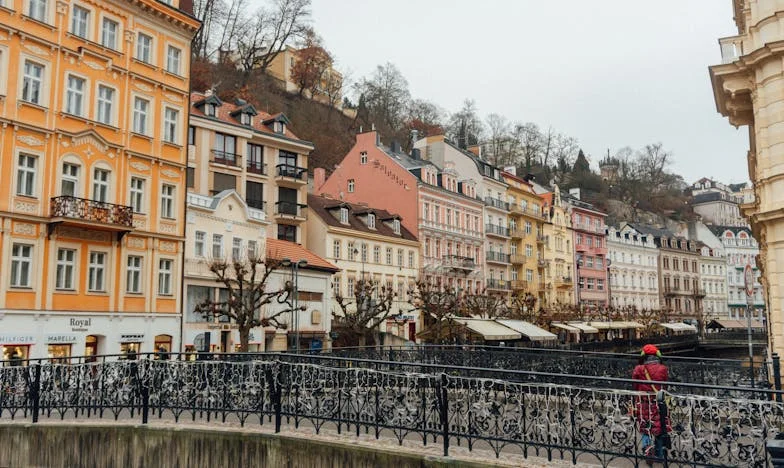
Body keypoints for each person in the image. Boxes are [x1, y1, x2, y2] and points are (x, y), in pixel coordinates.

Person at [632, 344, 670, 464]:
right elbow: (664, 386)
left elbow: (634, 385)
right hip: (657, 402)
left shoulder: (639, 368)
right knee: (659, 427)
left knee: (645, 427)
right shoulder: (663, 368)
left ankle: (648, 451)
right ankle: (659, 453)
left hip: (643, 402)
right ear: (657, 356)